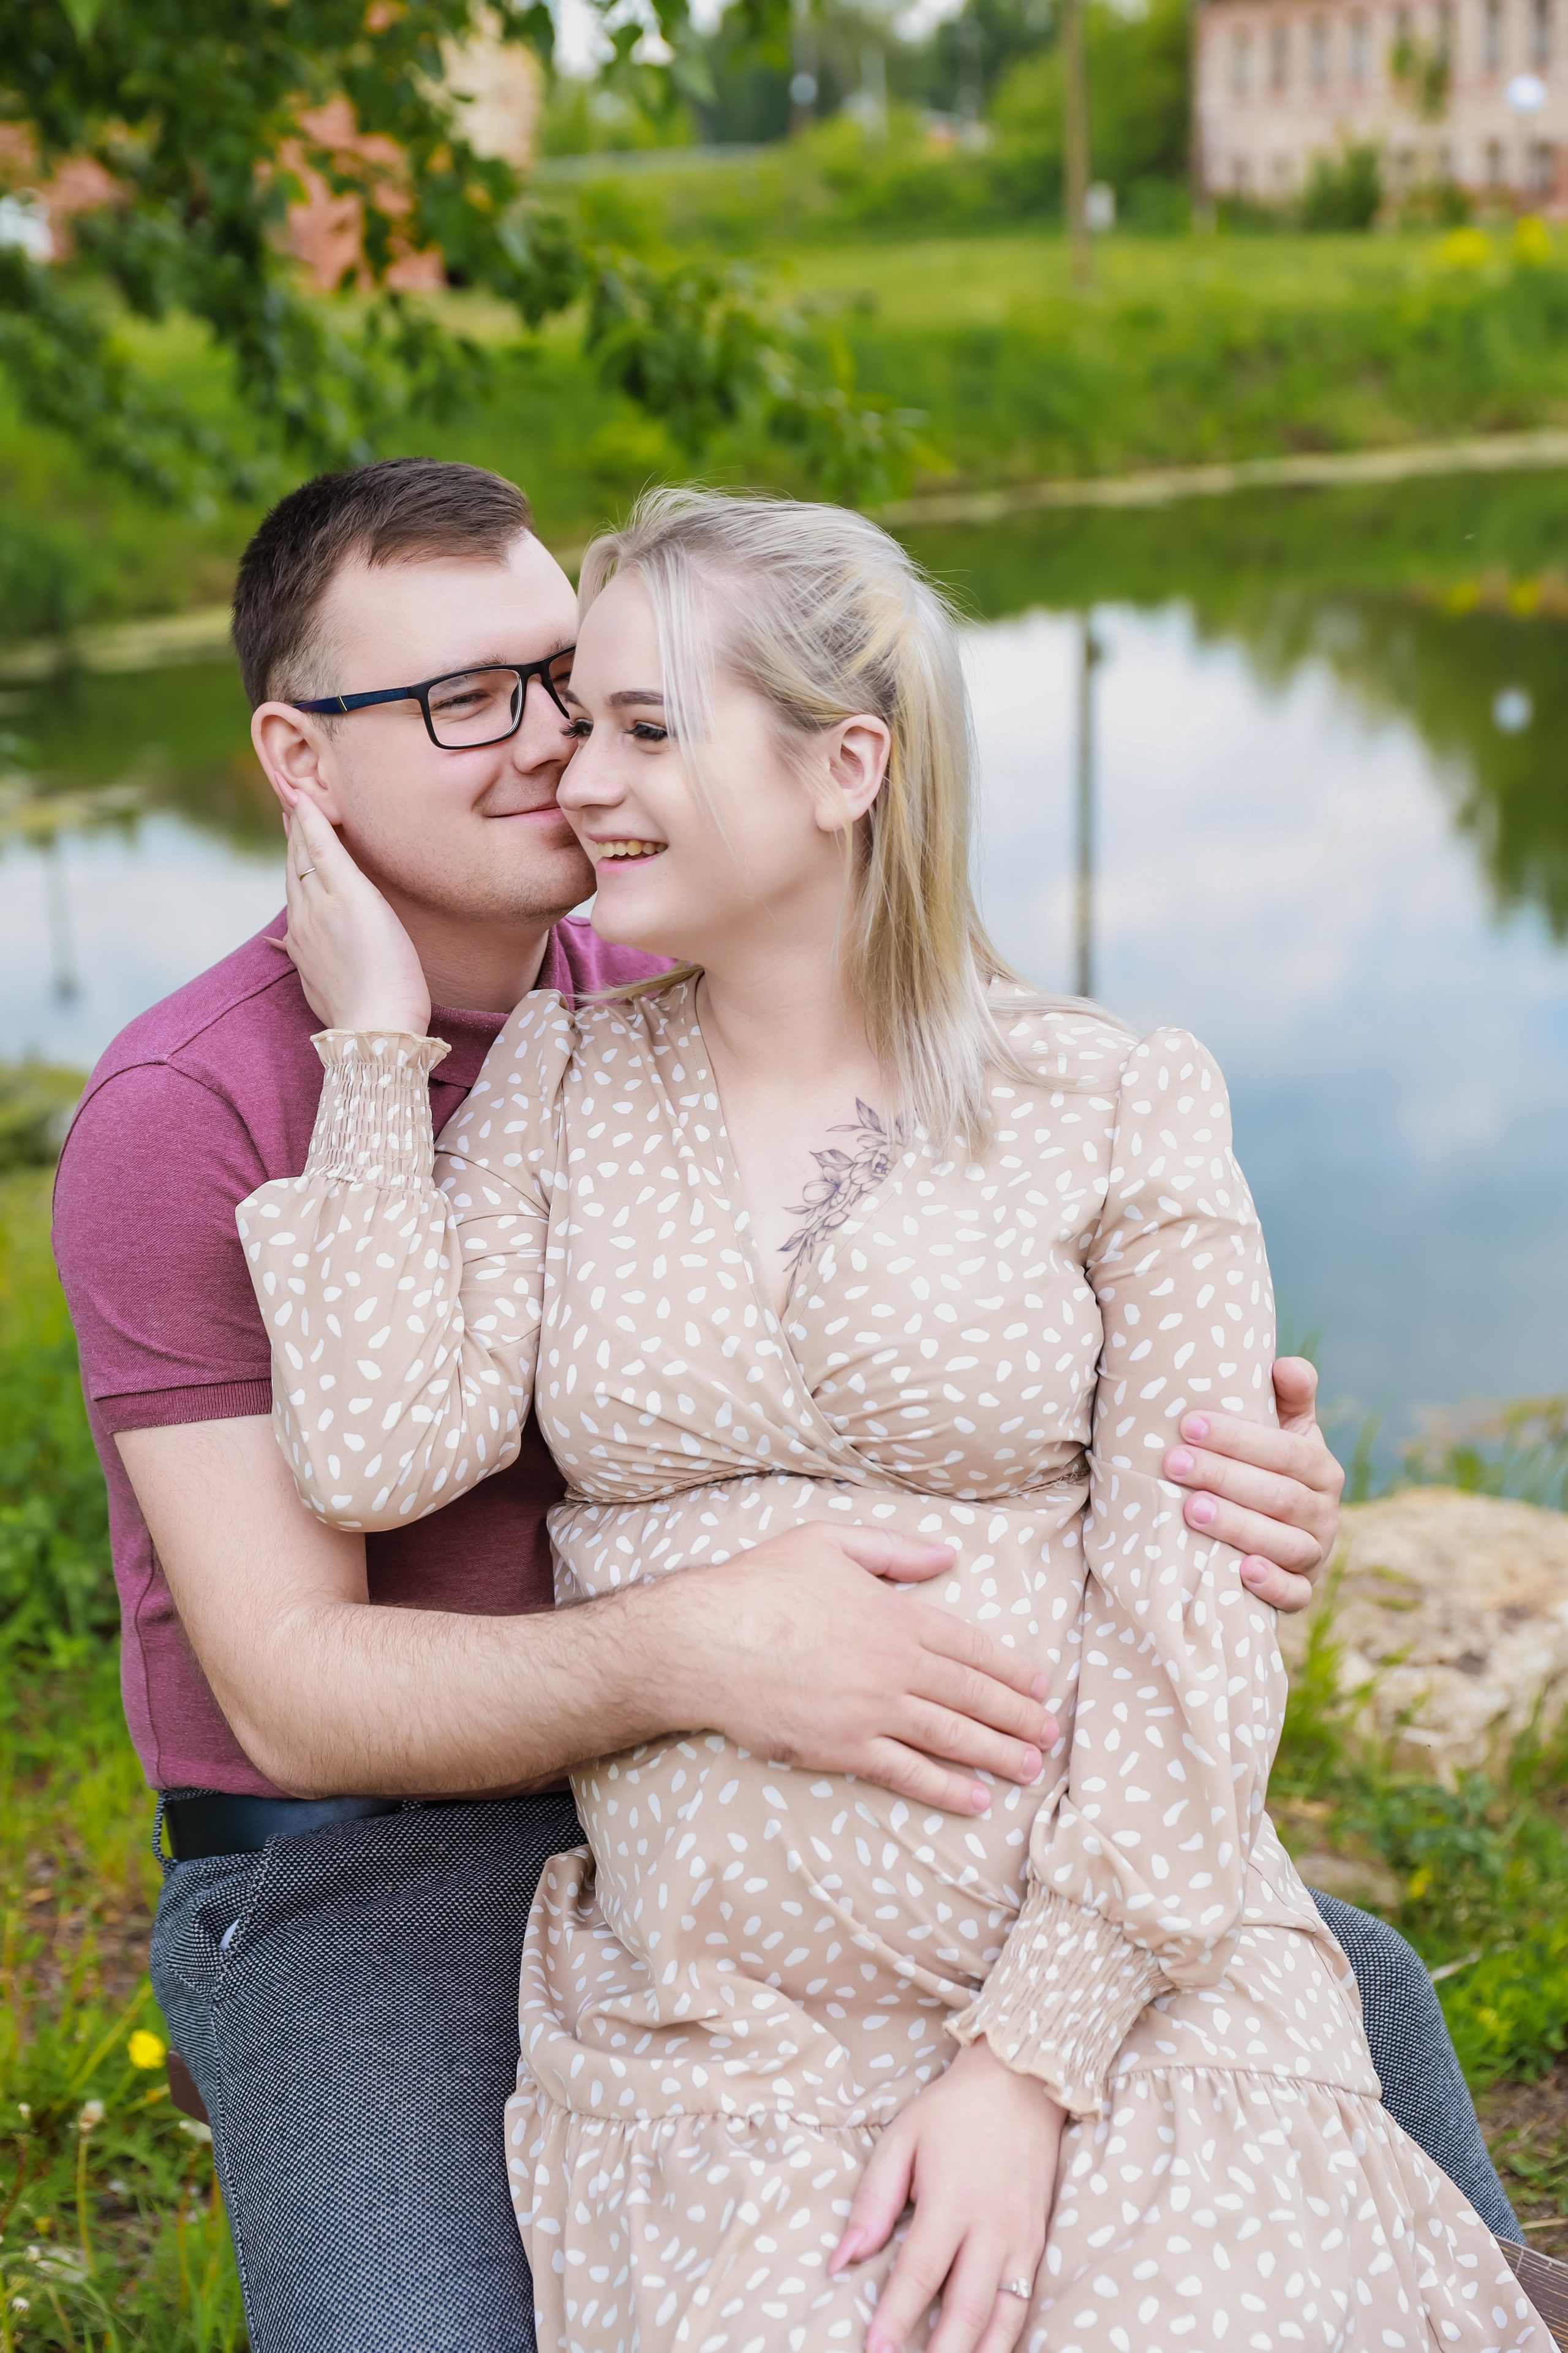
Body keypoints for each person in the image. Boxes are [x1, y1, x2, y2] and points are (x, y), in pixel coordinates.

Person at [46, 459, 1496, 2353]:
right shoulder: (202, 1107)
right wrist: (708, 1648)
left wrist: (1235, 1482)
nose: (559, 753)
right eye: (472, 701)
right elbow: (300, 1686)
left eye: (576, 687)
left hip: (895, 1823)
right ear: (300, 762)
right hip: (384, 1854)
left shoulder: (682, 965)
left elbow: (1014, 1260)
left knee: (1348, 2028)